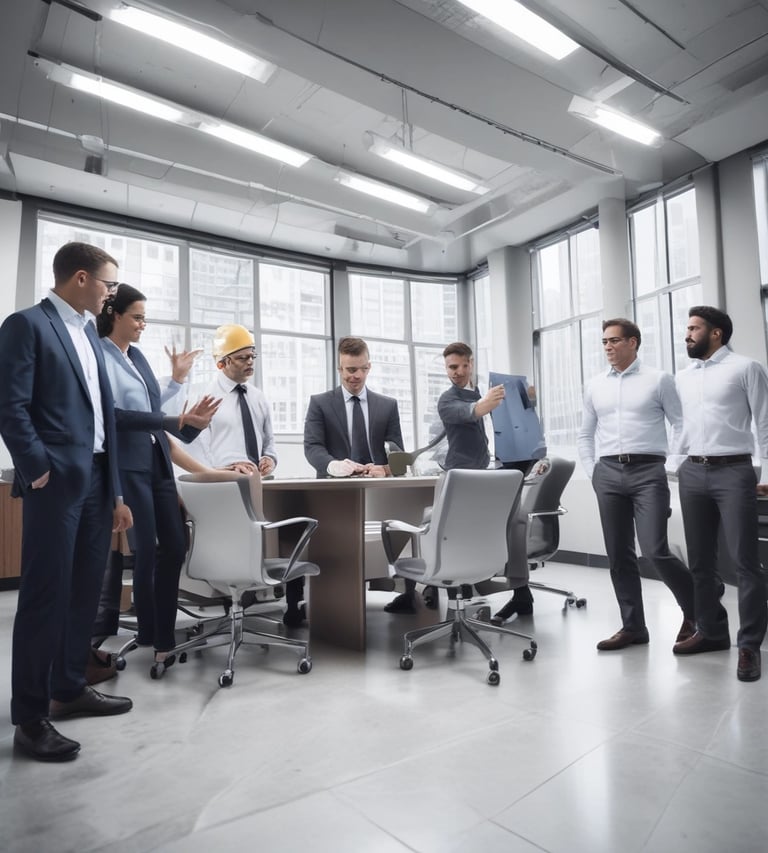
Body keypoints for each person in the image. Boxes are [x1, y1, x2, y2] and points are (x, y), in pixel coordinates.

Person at [0, 241, 134, 762]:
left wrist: (116, 490)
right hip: (55, 484)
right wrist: (36, 470)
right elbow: (9, 405)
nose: (110, 294)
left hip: (99, 482)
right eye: (109, 284)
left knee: (84, 593)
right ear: (81, 278)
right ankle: (30, 718)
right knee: (43, 597)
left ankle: (69, 686)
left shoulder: (88, 335)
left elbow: (106, 422)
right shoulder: (27, 325)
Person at [93, 284, 220, 678]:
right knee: (146, 550)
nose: (143, 324)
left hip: (157, 461)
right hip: (128, 464)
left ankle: (160, 632)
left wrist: (177, 384)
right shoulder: (99, 354)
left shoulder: (139, 357)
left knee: (176, 545)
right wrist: (172, 421)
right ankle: (155, 636)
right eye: (137, 317)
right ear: (114, 314)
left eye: (146, 317)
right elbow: (114, 415)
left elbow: (149, 407)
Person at [577, 318, 695, 652]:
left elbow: (681, 424)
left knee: (655, 549)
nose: (608, 347)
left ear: (633, 342)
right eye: (604, 342)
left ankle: (696, 609)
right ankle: (633, 627)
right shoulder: (594, 385)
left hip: (648, 471)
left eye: (614, 340)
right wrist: (593, 471)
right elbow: (585, 433)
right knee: (619, 555)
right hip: (608, 473)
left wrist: (670, 465)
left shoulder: (659, 380)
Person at [673, 306, 768, 682]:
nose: (687, 335)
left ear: (716, 333)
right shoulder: (682, 377)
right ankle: (711, 633)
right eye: (687, 329)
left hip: (735, 470)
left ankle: (748, 646)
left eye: (694, 328)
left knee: (745, 562)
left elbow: (764, 421)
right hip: (692, 472)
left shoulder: (746, 368)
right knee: (700, 562)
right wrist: (675, 465)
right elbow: (681, 425)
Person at [303, 336, 406, 612]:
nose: (356, 376)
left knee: (410, 516)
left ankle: (408, 592)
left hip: (378, 493)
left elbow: (397, 451)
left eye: (361, 368)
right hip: (334, 493)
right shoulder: (320, 403)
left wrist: (385, 468)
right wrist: (332, 466)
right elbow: (312, 447)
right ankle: (319, 602)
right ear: (339, 369)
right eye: (350, 370)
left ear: (368, 367)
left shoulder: (387, 405)